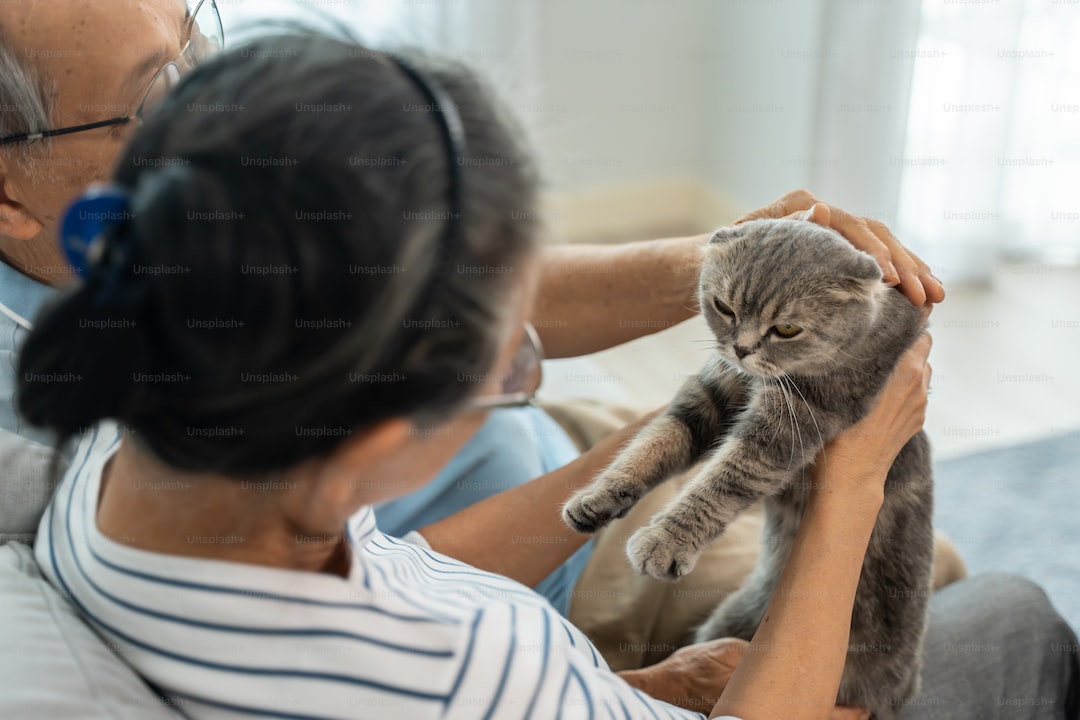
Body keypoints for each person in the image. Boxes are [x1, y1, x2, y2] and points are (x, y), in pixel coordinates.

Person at [17, 29, 1076, 719]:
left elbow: (396, 567)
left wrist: (678, 432)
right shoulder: (468, 676)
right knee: (1018, 613)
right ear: (387, 440)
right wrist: (847, 482)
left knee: (925, 572)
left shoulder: (129, 454)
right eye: (499, 354)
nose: (522, 340)